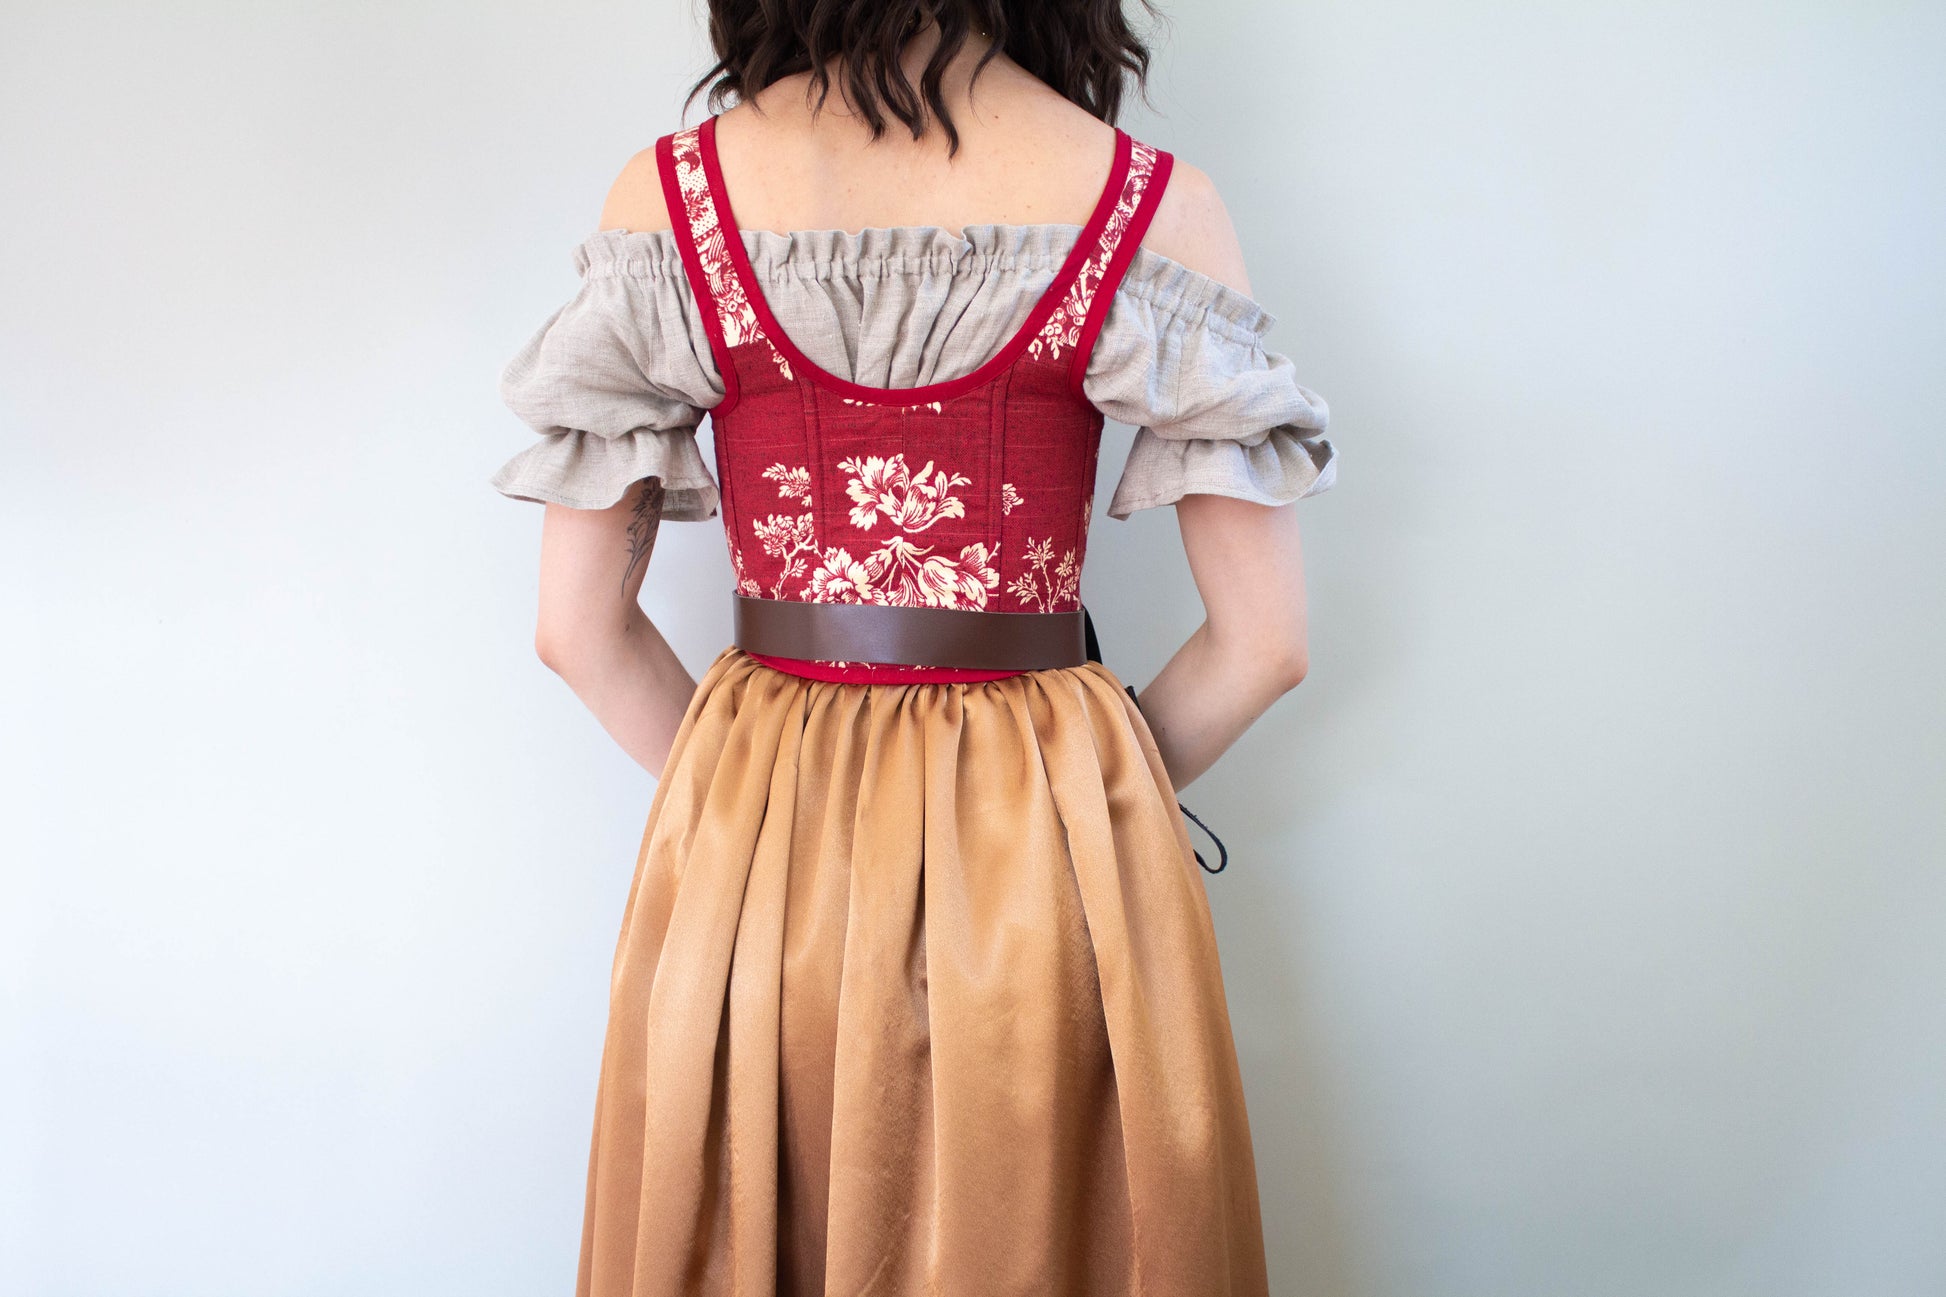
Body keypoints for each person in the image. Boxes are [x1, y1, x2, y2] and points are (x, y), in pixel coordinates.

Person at [491, 3, 1335, 1292]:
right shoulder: (1149, 206)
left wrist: (750, 818)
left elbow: (576, 630)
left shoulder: (672, 202)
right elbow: (1266, 645)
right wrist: (1080, 814)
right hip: (1040, 876)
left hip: (760, 876)